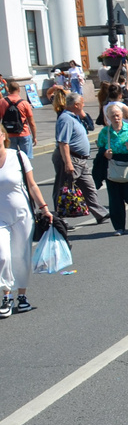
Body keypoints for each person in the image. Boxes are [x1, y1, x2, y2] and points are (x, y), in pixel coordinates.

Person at [0, 124, 51, 315]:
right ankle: (6, 296)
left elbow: (32, 185)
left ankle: (22, 295)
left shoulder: (18, 156)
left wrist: (44, 208)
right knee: (2, 256)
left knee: (21, 257)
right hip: (0, 218)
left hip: (22, 215)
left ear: (3, 136)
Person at [52, 92, 109, 226]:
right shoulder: (65, 119)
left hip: (81, 160)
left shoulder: (74, 117)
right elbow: (63, 143)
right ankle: (60, 219)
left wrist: (82, 114)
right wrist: (68, 163)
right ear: (76, 105)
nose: (84, 106)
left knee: (89, 187)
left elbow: (90, 125)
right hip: (71, 158)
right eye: (82, 104)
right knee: (63, 188)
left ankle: (100, 213)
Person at [97, 103, 128, 235]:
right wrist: (105, 154)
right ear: (108, 117)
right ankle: (119, 227)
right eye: (113, 116)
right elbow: (100, 148)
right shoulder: (105, 132)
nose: (116, 118)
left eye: (118, 115)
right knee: (115, 199)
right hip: (113, 164)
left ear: (122, 115)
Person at [0, 83, 37, 160]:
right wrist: (34, 137)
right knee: (26, 159)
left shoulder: (2, 102)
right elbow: (31, 122)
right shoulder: (24, 103)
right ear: (19, 90)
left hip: (9, 134)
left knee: (12, 159)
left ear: (8, 90)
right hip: (24, 133)